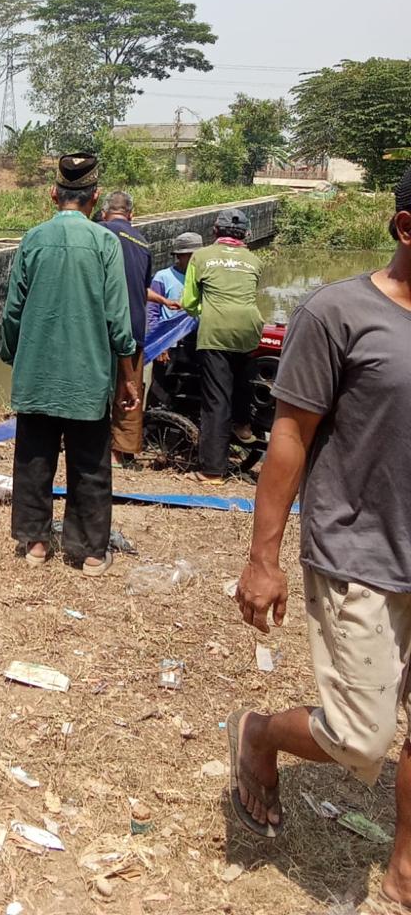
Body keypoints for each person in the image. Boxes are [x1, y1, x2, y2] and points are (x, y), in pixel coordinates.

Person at [229, 167, 411, 911]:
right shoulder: (338, 312)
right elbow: (290, 439)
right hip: (360, 553)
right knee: (361, 741)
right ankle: (262, 733)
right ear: (406, 228)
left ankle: (403, 867)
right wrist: (261, 558)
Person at [0, 153, 139, 578]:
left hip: (38, 374)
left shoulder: (33, 239)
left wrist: (13, 355)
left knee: (33, 459)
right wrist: (128, 376)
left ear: (53, 194)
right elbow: (119, 318)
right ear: (94, 198)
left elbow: (12, 312)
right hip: (88, 376)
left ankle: (37, 543)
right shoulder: (105, 243)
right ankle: (91, 553)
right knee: (90, 464)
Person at [181, 208, 263, 483]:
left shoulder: (201, 256)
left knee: (216, 400)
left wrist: (208, 310)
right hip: (250, 328)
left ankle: (212, 471)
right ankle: (243, 425)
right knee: (240, 383)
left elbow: (189, 302)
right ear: (245, 235)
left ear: (215, 231)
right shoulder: (254, 260)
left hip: (216, 332)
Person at [99, 191, 179, 468]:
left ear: (103, 212)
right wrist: (165, 300)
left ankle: (86, 443)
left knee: (94, 385)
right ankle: (120, 452)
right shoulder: (142, 243)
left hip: (99, 325)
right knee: (129, 387)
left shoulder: (97, 232)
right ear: (132, 215)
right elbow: (141, 289)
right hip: (133, 326)